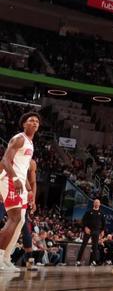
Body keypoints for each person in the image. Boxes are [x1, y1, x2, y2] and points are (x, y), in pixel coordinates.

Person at [0, 112, 39, 271]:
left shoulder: (30, 143)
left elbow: (23, 169)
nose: (35, 123)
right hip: (10, 179)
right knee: (14, 218)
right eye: (31, 120)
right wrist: (14, 178)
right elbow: (5, 160)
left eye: (37, 121)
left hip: (20, 184)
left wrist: (29, 192)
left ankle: (6, 258)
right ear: (24, 124)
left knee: (21, 221)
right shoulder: (19, 138)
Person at [3, 158, 37, 269]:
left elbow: (32, 182)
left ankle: (7, 257)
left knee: (22, 223)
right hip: (8, 186)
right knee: (15, 222)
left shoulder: (31, 162)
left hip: (22, 192)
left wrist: (33, 198)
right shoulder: (13, 156)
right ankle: (3, 256)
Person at [76, 199, 105, 266]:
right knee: (83, 245)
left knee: (95, 247)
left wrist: (102, 231)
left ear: (100, 204)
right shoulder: (89, 212)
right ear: (93, 203)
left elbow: (103, 223)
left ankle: (93, 261)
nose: (96, 203)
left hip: (96, 231)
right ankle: (78, 261)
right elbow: (83, 220)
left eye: (98, 202)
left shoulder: (101, 213)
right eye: (95, 202)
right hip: (88, 231)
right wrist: (85, 227)